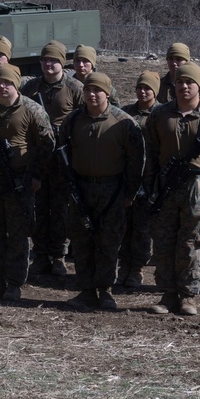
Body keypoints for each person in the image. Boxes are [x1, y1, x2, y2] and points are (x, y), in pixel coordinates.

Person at [144, 63, 200, 316]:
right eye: (179, 82)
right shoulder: (159, 115)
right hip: (165, 187)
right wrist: (149, 189)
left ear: (199, 86)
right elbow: (150, 155)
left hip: (198, 188)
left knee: (191, 244)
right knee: (163, 243)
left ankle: (188, 296)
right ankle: (168, 294)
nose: (183, 86)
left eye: (189, 82)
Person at [61, 72, 145, 311]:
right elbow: (62, 153)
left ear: (107, 93)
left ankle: (105, 291)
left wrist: (129, 193)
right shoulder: (73, 120)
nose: (91, 94)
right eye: (88, 90)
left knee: (109, 242)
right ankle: (86, 290)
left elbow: (136, 161)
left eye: (97, 90)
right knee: (82, 241)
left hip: (112, 190)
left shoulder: (124, 123)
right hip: (80, 189)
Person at [0, 64, 55, 301]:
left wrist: (36, 176)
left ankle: (15, 283)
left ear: (16, 84)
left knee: (18, 233)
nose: (3, 87)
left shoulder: (33, 110)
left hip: (20, 181)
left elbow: (47, 146)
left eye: (8, 83)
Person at [20, 40, 84, 278]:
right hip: (37, 157)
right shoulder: (31, 88)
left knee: (60, 209)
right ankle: (41, 254)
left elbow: (84, 119)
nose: (49, 64)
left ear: (61, 63)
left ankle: (58, 255)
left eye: (54, 60)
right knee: (37, 207)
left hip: (63, 158)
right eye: (45, 60)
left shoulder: (75, 88)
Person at [117, 71, 162, 288]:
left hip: (150, 180)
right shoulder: (125, 113)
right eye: (140, 87)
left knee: (142, 229)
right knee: (124, 225)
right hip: (126, 178)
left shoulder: (162, 114)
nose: (143, 91)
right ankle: (123, 267)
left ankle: (137, 269)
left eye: (148, 88)